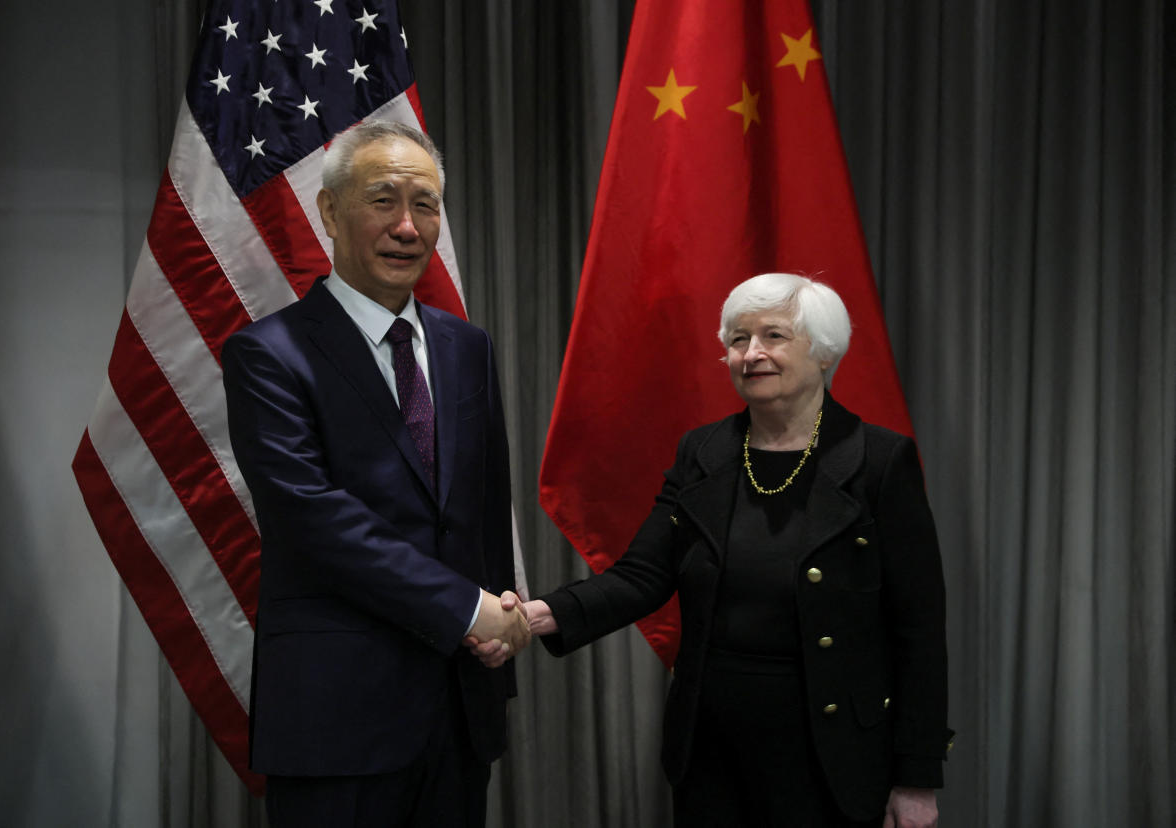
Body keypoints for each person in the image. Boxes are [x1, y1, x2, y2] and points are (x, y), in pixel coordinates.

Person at [508, 274, 952, 826]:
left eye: (773, 336)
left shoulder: (880, 462)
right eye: (738, 340)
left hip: (833, 753)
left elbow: (920, 630)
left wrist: (916, 777)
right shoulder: (705, 451)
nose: (752, 353)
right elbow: (643, 575)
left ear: (823, 352)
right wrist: (536, 617)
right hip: (712, 750)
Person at [222, 120, 529, 828]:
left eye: (425, 204)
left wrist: (496, 623)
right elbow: (312, 518)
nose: (408, 226)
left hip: (459, 709)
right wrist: (465, 607)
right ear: (329, 212)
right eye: (383, 199)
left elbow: (480, 511)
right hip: (337, 719)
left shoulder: (466, 349)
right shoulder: (269, 355)